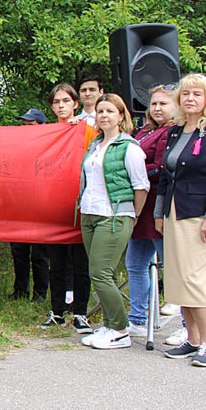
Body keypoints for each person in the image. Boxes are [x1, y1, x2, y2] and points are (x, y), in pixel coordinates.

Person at [156, 74, 206, 367]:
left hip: (200, 214)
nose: (190, 99)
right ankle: (193, 339)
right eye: (185, 94)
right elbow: (166, 176)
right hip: (174, 213)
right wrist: (159, 214)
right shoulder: (176, 131)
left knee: (195, 280)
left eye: (196, 95)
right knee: (177, 280)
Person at [78, 94, 149, 350]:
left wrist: (133, 215)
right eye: (100, 111)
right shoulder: (95, 145)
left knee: (101, 273)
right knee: (97, 272)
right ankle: (109, 324)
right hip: (90, 213)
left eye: (110, 110)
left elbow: (141, 186)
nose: (104, 115)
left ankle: (120, 330)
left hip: (115, 214)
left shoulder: (129, 148)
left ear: (121, 116)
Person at [39, 83, 95, 334]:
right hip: (53, 206)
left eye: (65, 101)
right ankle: (57, 312)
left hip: (81, 205)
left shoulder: (89, 131)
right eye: (56, 102)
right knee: (57, 263)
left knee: (81, 263)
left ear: (75, 104)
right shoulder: (46, 132)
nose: (60, 106)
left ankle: (81, 313)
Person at [123, 85, 176, 338]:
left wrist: (134, 173)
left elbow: (162, 165)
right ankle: (137, 319)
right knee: (135, 264)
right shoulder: (145, 130)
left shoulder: (172, 132)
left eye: (163, 104)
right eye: (154, 104)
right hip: (140, 205)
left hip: (158, 203)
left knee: (173, 267)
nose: (157, 108)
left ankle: (190, 328)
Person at [9, 108, 50, 300]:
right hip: (17, 205)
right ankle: (20, 290)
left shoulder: (51, 146)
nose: (26, 128)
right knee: (18, 251)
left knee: (40, 254)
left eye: (31, 125)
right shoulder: (16, 146)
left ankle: (40, 293)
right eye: (23, 124)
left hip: (41, 207)